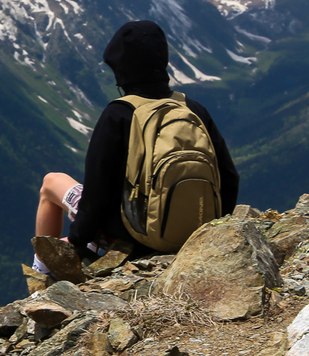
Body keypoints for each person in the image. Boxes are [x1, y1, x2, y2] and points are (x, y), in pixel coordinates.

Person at [33, 20, 239, 271]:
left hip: (133, 235)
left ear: (121, 68)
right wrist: (208, 226)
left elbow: (98, 192)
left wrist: (77, 240)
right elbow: (229, 177)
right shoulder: (192, 109)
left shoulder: (119, 114)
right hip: (196, 229)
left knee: (51, 181)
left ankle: (43, 271)